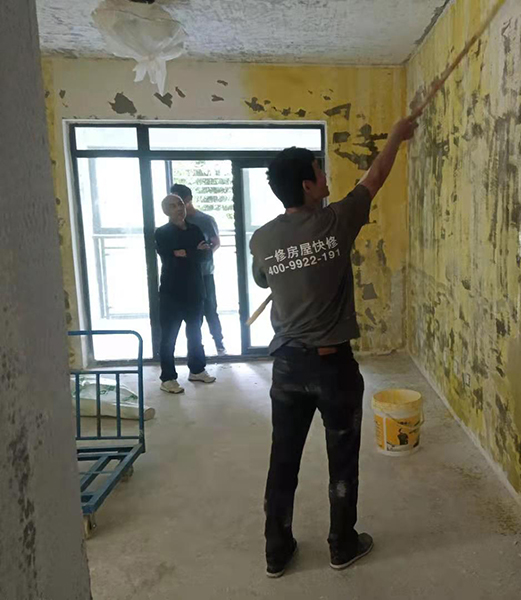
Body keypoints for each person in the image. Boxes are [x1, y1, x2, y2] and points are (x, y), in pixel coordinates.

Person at [250, 116, 417, 578]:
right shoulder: (336, 221)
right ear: (308, 186)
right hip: (333, 368)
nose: (326, 177)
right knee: (342, 459)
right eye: (320, 171)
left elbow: (263, 279)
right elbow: (375, 176)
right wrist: (397, 135)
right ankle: (342, 545)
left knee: (283, 460)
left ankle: (276, 551)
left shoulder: (262, 239)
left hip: (286, 368)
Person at [155, 194, 217, 393]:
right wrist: (193, 251)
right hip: (171, 292)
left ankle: (197, 370)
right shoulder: (162, 233)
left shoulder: (195, 229)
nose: (179, 208)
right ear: (166, 210)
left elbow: (205, 255)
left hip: (195, 290)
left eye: (180, 204)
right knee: (169, 337)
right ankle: (168, 378)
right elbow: (170, 258)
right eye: (173, 206)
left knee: (195, 333)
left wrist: (184, 252)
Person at [170, 183, 227, 356]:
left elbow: (216, 242)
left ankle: (219, 343)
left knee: (210, 308)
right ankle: (196, 349)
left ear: (188, 199)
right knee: (192, 314)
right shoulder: (175, 223)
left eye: (179, 202)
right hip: (185, 274)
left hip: (204, 272)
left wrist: (202, 256)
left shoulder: (205, 220)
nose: (176, 207)